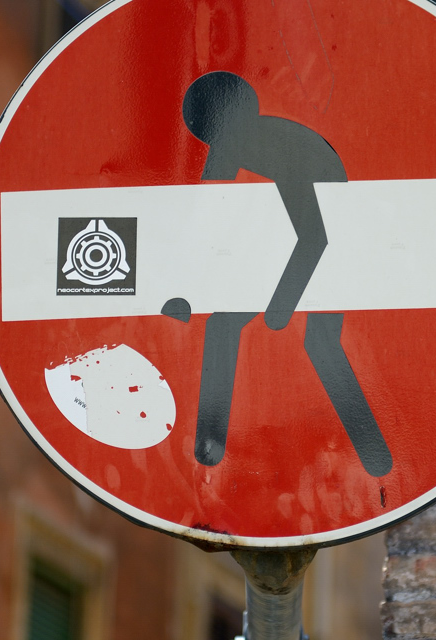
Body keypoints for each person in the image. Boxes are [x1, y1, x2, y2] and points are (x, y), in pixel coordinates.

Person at [166, 71, 392, 477]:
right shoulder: (233, 141)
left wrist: (280, 306)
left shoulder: (290, 151)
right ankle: (210, 450)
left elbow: (316, 238)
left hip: (332, 239)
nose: (217, 150)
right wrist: (184, 293)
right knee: (225, 325)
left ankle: (378, 463)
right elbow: (208, 216)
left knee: (320, 341)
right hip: (289, 238)